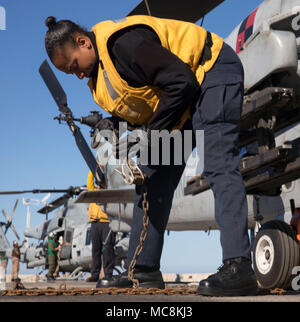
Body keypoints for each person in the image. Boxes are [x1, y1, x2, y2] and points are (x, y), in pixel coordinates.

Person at [44, 15, 258, 296]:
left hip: (210, 73)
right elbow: (146, 104)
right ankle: (143, 270)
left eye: (74, 67)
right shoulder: (101, 80)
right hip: (181, 104)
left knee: (217, 160)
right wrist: (115, 124)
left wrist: (149, 137)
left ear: (83, 42)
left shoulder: (123, 44)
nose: (79, 75)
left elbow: (181, 81)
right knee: (152, 177)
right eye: (71, 74)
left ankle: (238, 266)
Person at [86, 170, 116, 285]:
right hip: (95, 223)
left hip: (107, 223)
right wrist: (93, 169)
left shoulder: (109, 192)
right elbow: (89, 181)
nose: (99, 183)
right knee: (95, 250)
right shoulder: (93, 192)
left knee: (108, 248)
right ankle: (94, 274)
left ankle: (108, 274)